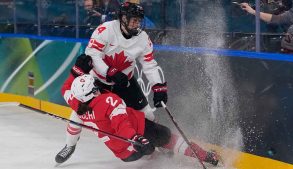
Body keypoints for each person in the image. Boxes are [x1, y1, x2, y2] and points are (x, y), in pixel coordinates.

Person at [55, 1, 168, 164]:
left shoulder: (143, 39)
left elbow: (150, 65)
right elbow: (91, 54)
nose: (137, 24)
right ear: (122, 18)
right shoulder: (105, 30)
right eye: (133, 20)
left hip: (125, 82)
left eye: (139, 20)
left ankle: (161, 143)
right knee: (78, 114)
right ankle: (69, 145)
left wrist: (159, 87)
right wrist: (110, 72)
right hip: (97, 82)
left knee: (147, 114)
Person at [56, 74, 219, 165]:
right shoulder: (109, 101)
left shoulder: (77, 103)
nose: (98, 87)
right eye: (95, 87)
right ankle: (207, 157)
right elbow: (121, 124)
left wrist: (76, 71)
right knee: (168, 137)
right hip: (138, 136)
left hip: (124, 154)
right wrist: (136, 138)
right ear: (92, 92)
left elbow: (66, 89)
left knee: (152, 148)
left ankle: (157, 154)